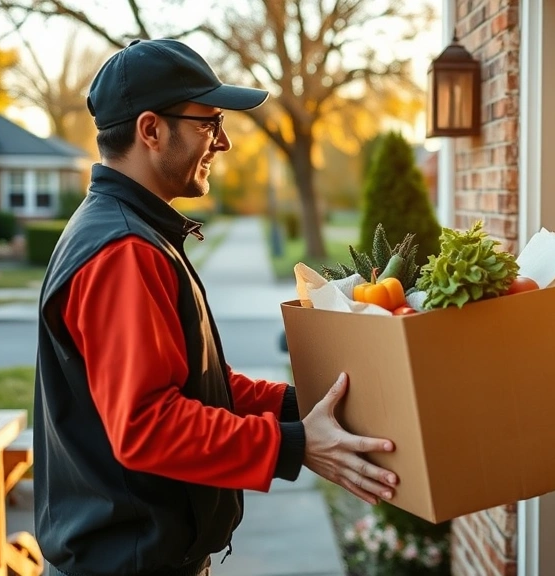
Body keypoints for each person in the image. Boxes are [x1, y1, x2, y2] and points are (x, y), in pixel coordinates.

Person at [33, 38, 399, 576]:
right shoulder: (122, 252)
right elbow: (147, 426)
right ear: (151, 130)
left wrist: (310, 404)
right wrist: (293, 446)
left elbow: (200, 384)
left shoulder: (132, 233)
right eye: (208, 123)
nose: (223, 142)